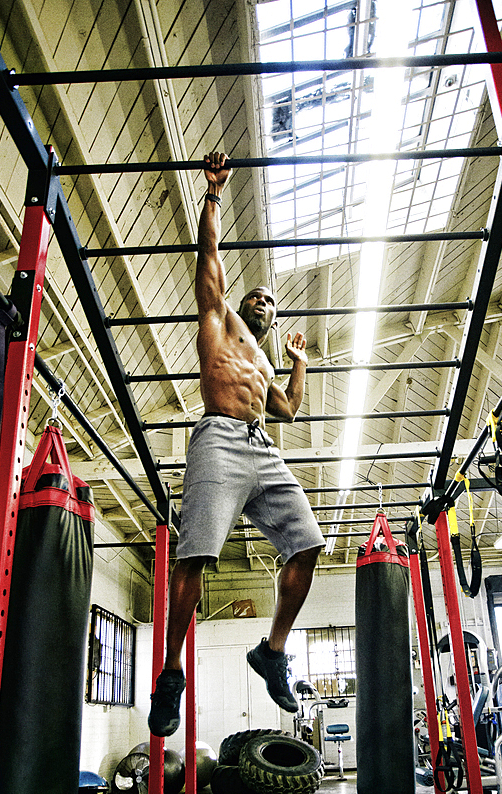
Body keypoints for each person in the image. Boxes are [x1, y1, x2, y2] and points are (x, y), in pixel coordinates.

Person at [148, 152, 324, 738]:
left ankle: (272, 651)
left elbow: (290, 410)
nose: (262, 303)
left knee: (306, 544)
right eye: (256, 296)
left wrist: (299, 365)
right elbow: (209, 264)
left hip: (262, 446)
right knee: (194, 552)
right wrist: (214, 196)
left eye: (271, 301)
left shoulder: (269, 362)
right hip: (219, 437)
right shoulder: (221, 321)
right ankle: (171, 672)